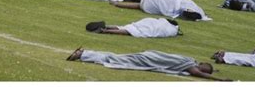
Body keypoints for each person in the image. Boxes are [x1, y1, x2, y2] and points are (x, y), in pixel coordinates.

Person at [66, 48, 230, 81]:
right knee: (115, 59)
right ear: (200, 65)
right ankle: (84, 54)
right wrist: (217, 80)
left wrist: (213, 71)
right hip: (147, 60)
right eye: (203, 68)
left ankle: (85, 54)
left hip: (149, 55)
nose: (200, 70)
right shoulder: (189, 64)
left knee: (116, 57)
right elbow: (197, 73)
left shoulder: (186, 59)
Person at [110, 0, 212, 21]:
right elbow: (137, 5)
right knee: (144, 3)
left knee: (144, 3)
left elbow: (137, 5)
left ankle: (188, 11)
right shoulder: (148, 0)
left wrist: (117, 4)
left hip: (171, 0)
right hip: (173, 0)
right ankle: (188, 11)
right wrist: (117, 4)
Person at [85, 18, 181, 38]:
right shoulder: (172, 29)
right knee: (131, 31)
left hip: (149, 22)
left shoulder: (162, 21)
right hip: (152, 27)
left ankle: (107, 27)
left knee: (129, 27)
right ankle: (104, 30)